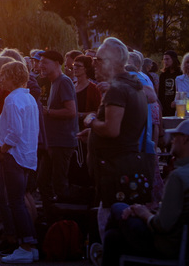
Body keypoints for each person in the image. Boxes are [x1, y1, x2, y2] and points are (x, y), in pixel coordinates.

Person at [80, 37, 148, 241]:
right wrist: (94, 134)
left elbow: (111, 130)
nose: (94, 64)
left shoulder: (117, 89)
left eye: (98, 59)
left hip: (114, 169)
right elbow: (123, 127)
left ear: (112, 62)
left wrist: (91, 121)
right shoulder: (132, 85)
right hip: (125, 165)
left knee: (109, 225)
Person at [101, 118, 189, 265]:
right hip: (181, 243)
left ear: (185, 139)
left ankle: (101, 251)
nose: (172, 141)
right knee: (113, 236)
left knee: (118, 207)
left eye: (176, 137)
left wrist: (143, 213)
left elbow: (162, 225)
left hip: (166, 245)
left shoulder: (178, 177)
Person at [0, 61, 39, 264]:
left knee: (15, 202)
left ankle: (25, 247)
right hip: (27, 155)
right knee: (19, 200)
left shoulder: (12, 99)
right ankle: (31, 245)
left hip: (14, 155)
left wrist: (3, 148)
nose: (0, 80)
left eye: (4, 76)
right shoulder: (29, 98)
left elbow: (15, 131)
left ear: (12, 77)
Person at [37, 49, 78, 213]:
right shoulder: (54, 82)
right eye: (40, 62)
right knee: (43, 181)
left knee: (59, 184)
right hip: (52, 142)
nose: (41, 66)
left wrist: (47, 112)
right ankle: (50, 216)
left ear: (56, 64)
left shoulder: (64, 82)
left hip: (62, 142)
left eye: (44, 63)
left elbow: (71, 111)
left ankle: (64, 220)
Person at [73, 55, 101, 126]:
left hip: (83, 127)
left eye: (78, 66)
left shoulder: (93, 89)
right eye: (74, 65)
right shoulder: (71, 85)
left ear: (86, 69)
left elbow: (98, 112)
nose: (75, 68)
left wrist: (80, 115)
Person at [158, 50, 181, 116]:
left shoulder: (180, 74)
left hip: (177, 105)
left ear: (173, 59)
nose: (165, 61)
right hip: (165, 106)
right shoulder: (163, 75)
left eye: (167, 59)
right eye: (164, 59)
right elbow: (161, 92)